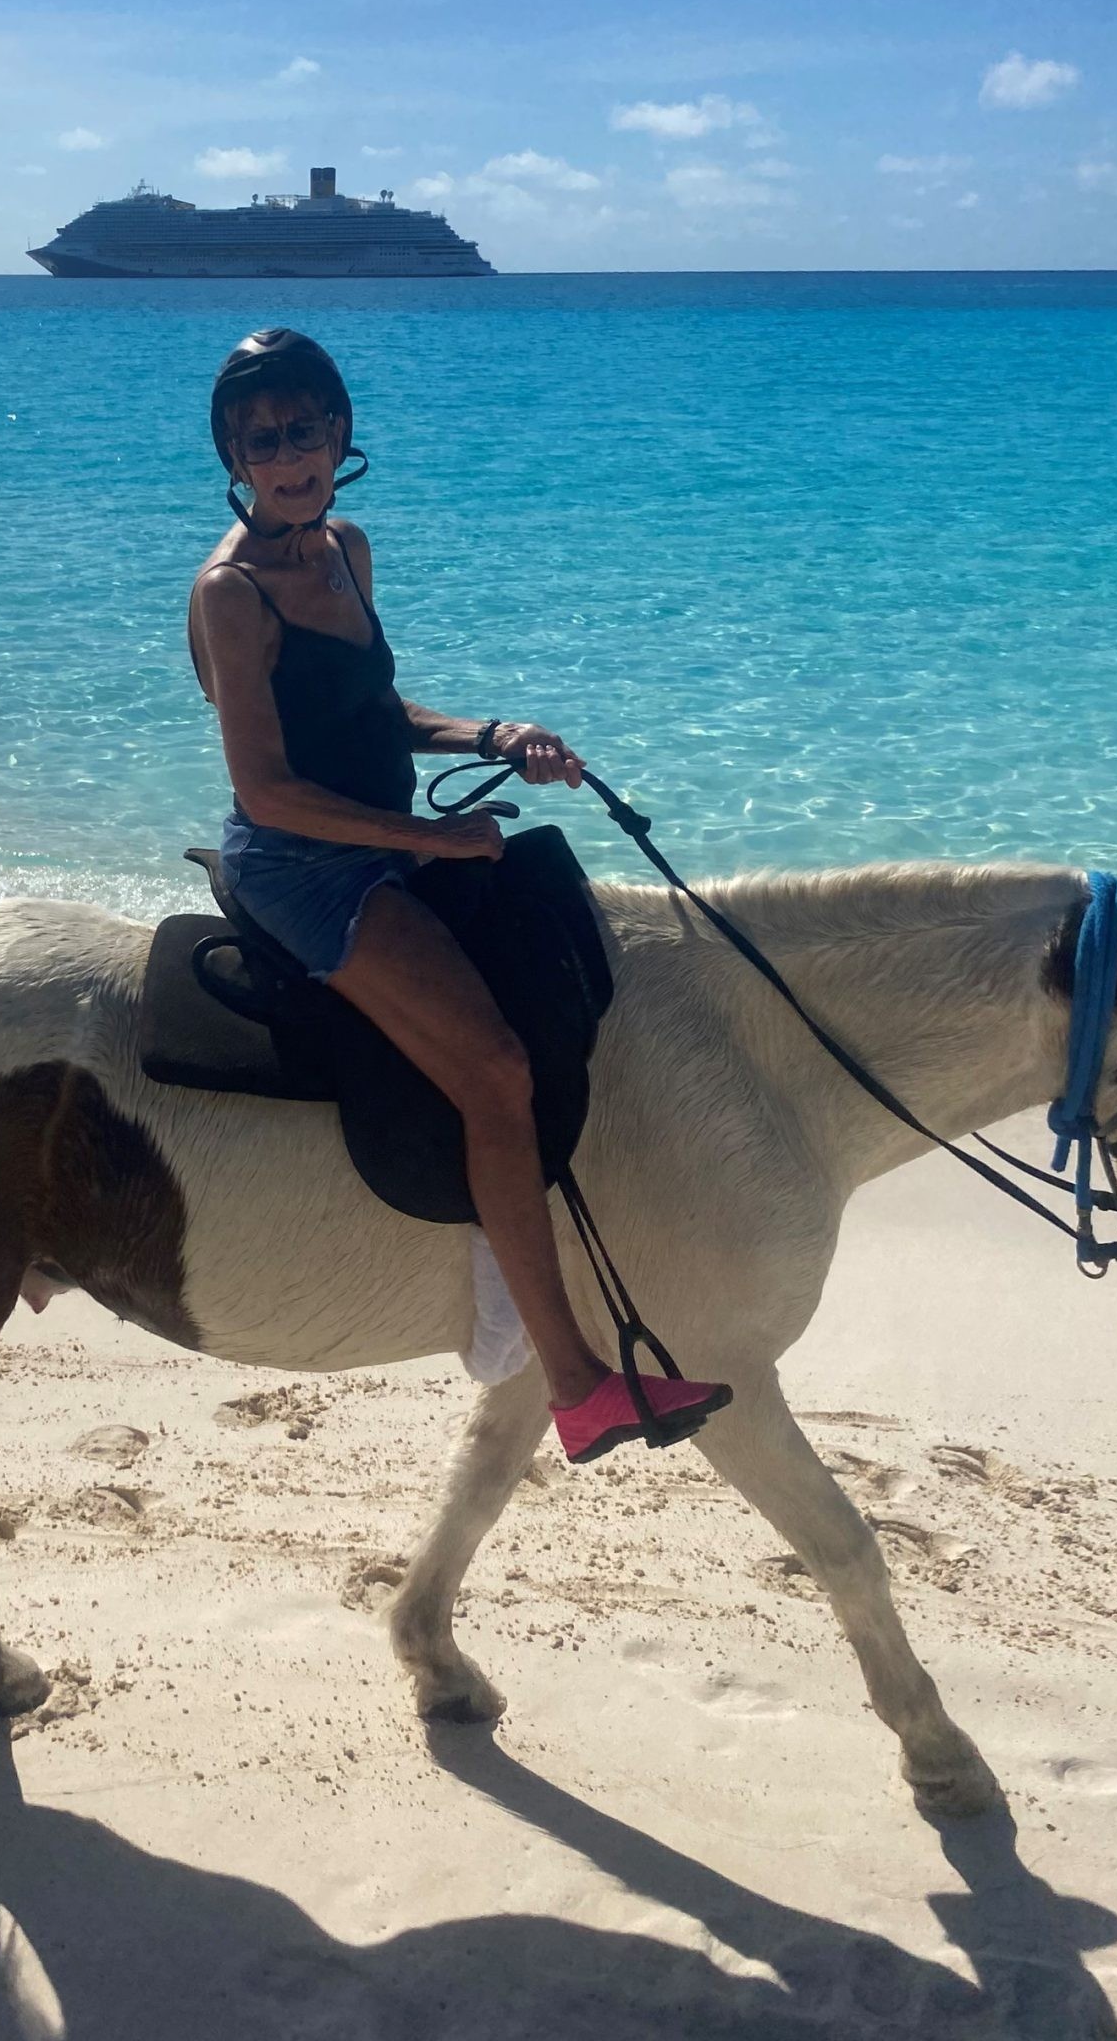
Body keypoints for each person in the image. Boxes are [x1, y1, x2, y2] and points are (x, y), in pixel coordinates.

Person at [188, 329, 729, 1463]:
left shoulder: (345, 549)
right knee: (491, 1069)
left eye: (305, 431)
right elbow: (269, 789)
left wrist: (495, 733)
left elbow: (376, 713)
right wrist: (426, 836)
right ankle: (575, 1383)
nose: (288, 457)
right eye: (261, 440)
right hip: (302, 869)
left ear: (340, 433)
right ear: (235, 456)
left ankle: (515, 1238)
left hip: (384, 842)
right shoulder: (230, 594)